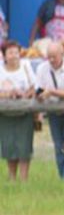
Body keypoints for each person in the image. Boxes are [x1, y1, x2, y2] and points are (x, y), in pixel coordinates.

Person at [34, 41, 64, 178]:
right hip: (54, 112)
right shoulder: (41, 68)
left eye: (54, 56)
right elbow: (39, 89)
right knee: (58, 147)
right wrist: (40, 96)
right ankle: (63, 178)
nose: (51, 60)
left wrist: (50, 92)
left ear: (62, 54)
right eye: (49, 56)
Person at [0, 41, 36, 181]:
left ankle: (24, 179)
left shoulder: (26, 66)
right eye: (10, 53)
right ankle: (12, 178)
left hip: (24, 113)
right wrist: (8, 94)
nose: (14, 56)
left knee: (24, 148)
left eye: (16, 52)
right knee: (9, 147)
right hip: (5, 114)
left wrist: (24, 94)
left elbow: (34, 87)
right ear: (4, 55)